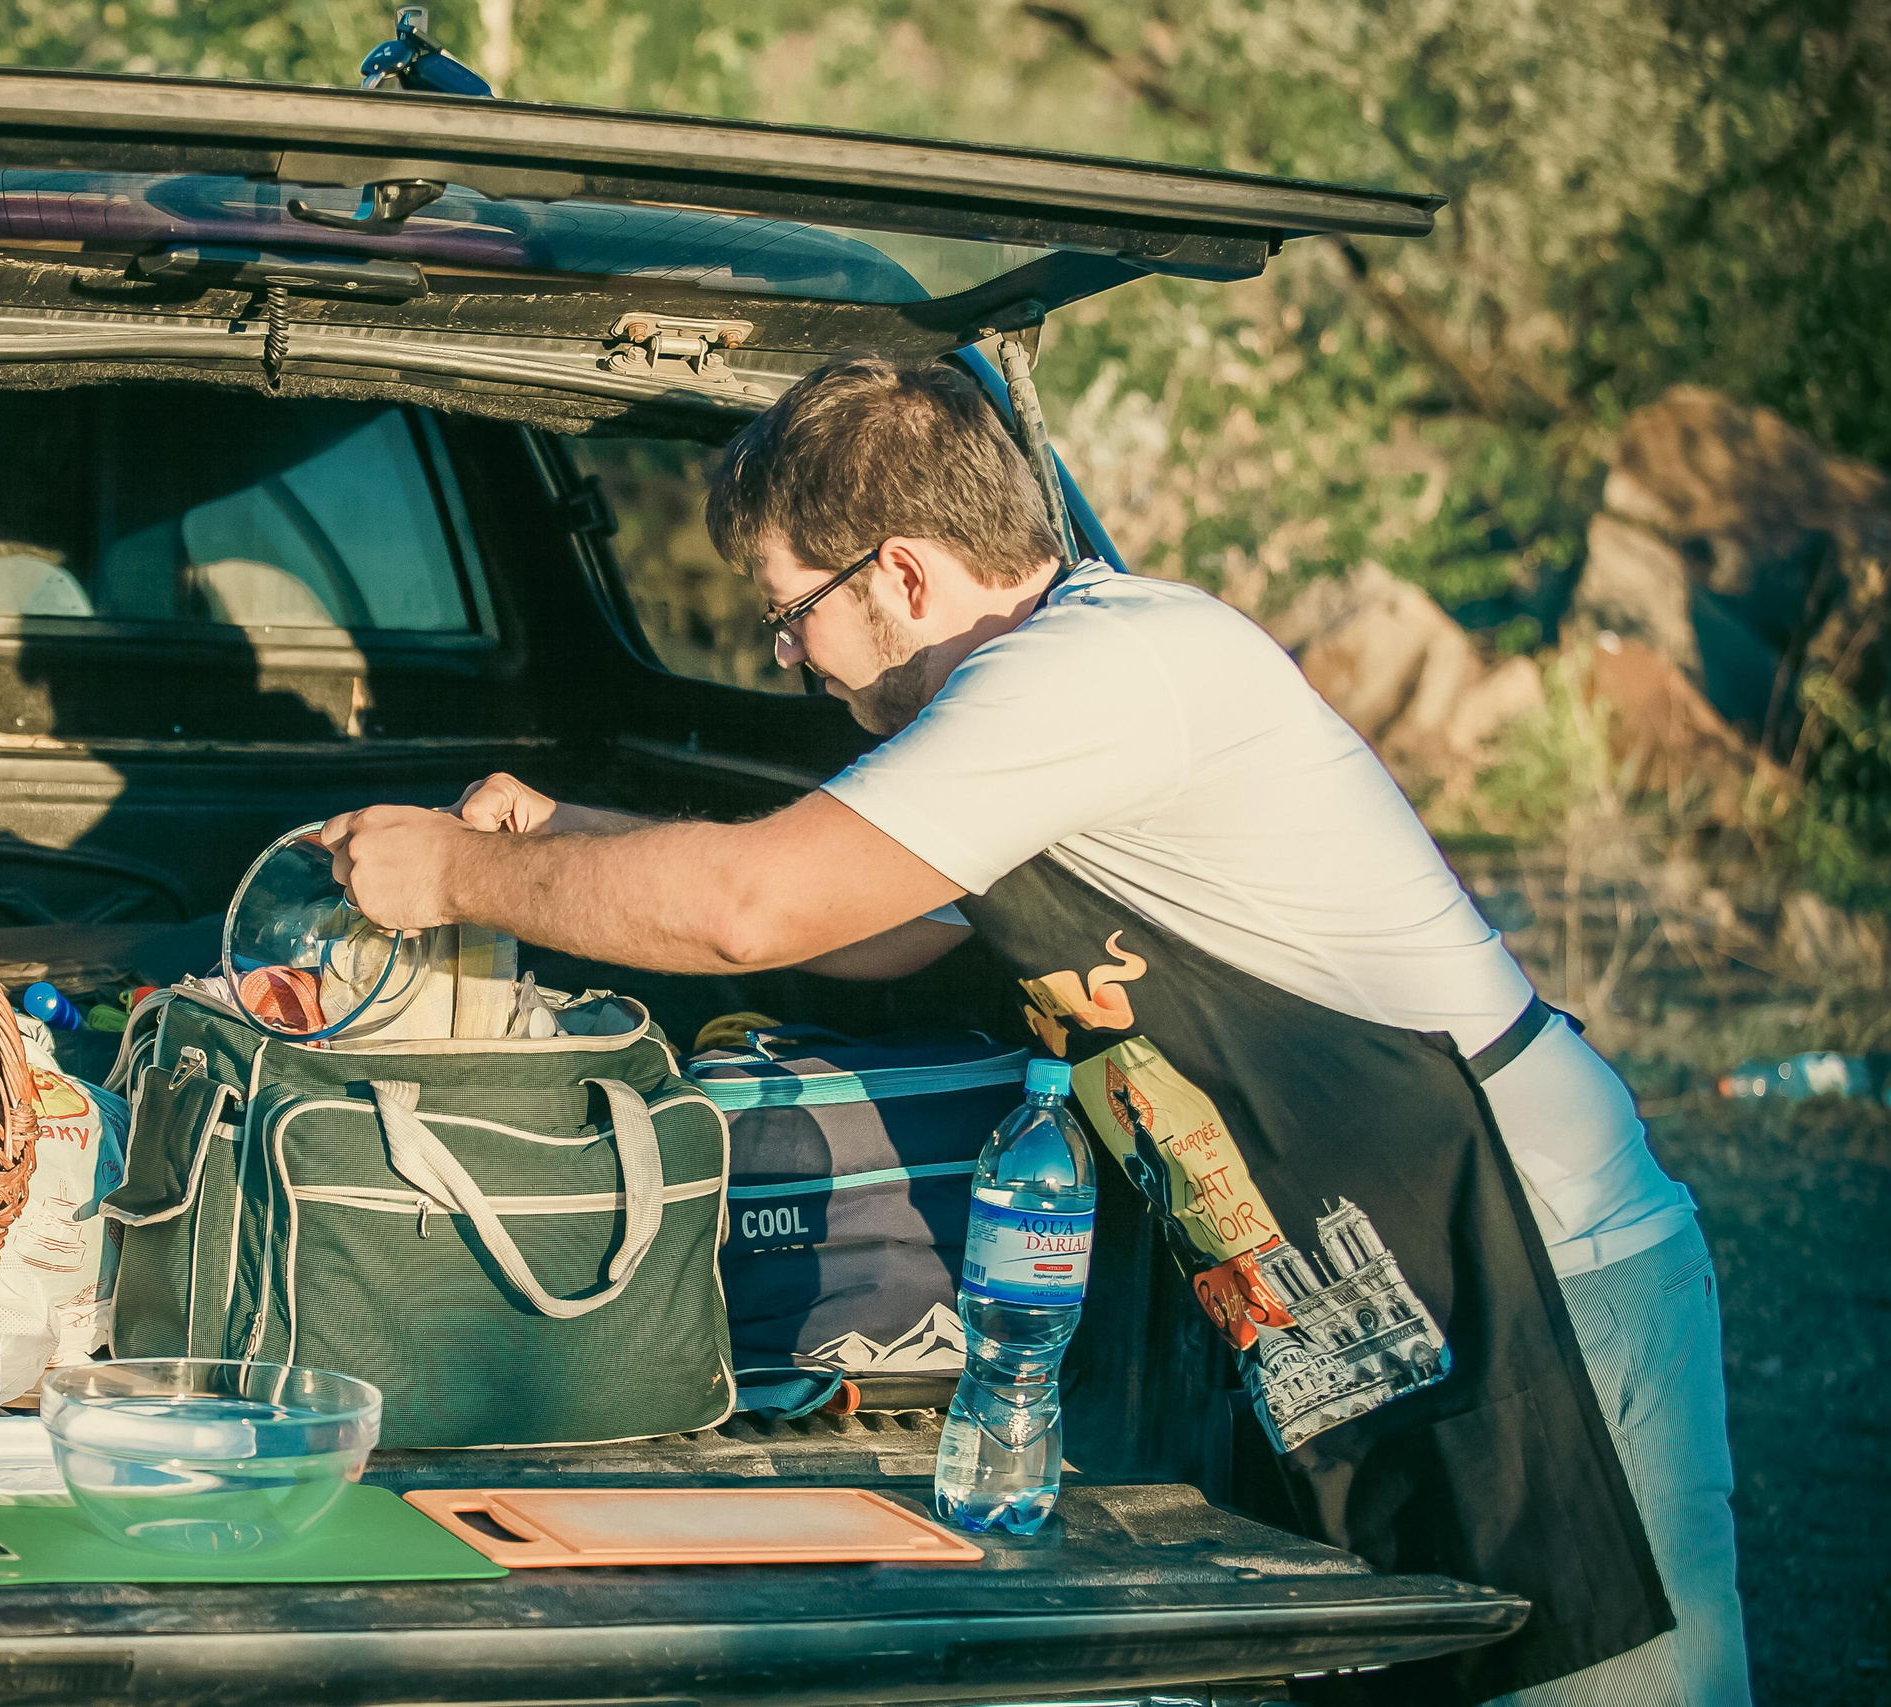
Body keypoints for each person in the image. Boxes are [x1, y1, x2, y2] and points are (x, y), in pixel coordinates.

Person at [320, 355, 1747, 1707]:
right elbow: (874, 928)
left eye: (791, 610)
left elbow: (754, 910)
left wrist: (457, 878)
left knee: (1595, 1678)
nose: (788, 654)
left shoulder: (1100, 670)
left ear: (901, 574)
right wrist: (561, 832)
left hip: (1528, 1255)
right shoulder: (1034, 703)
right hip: (1362, 1270)